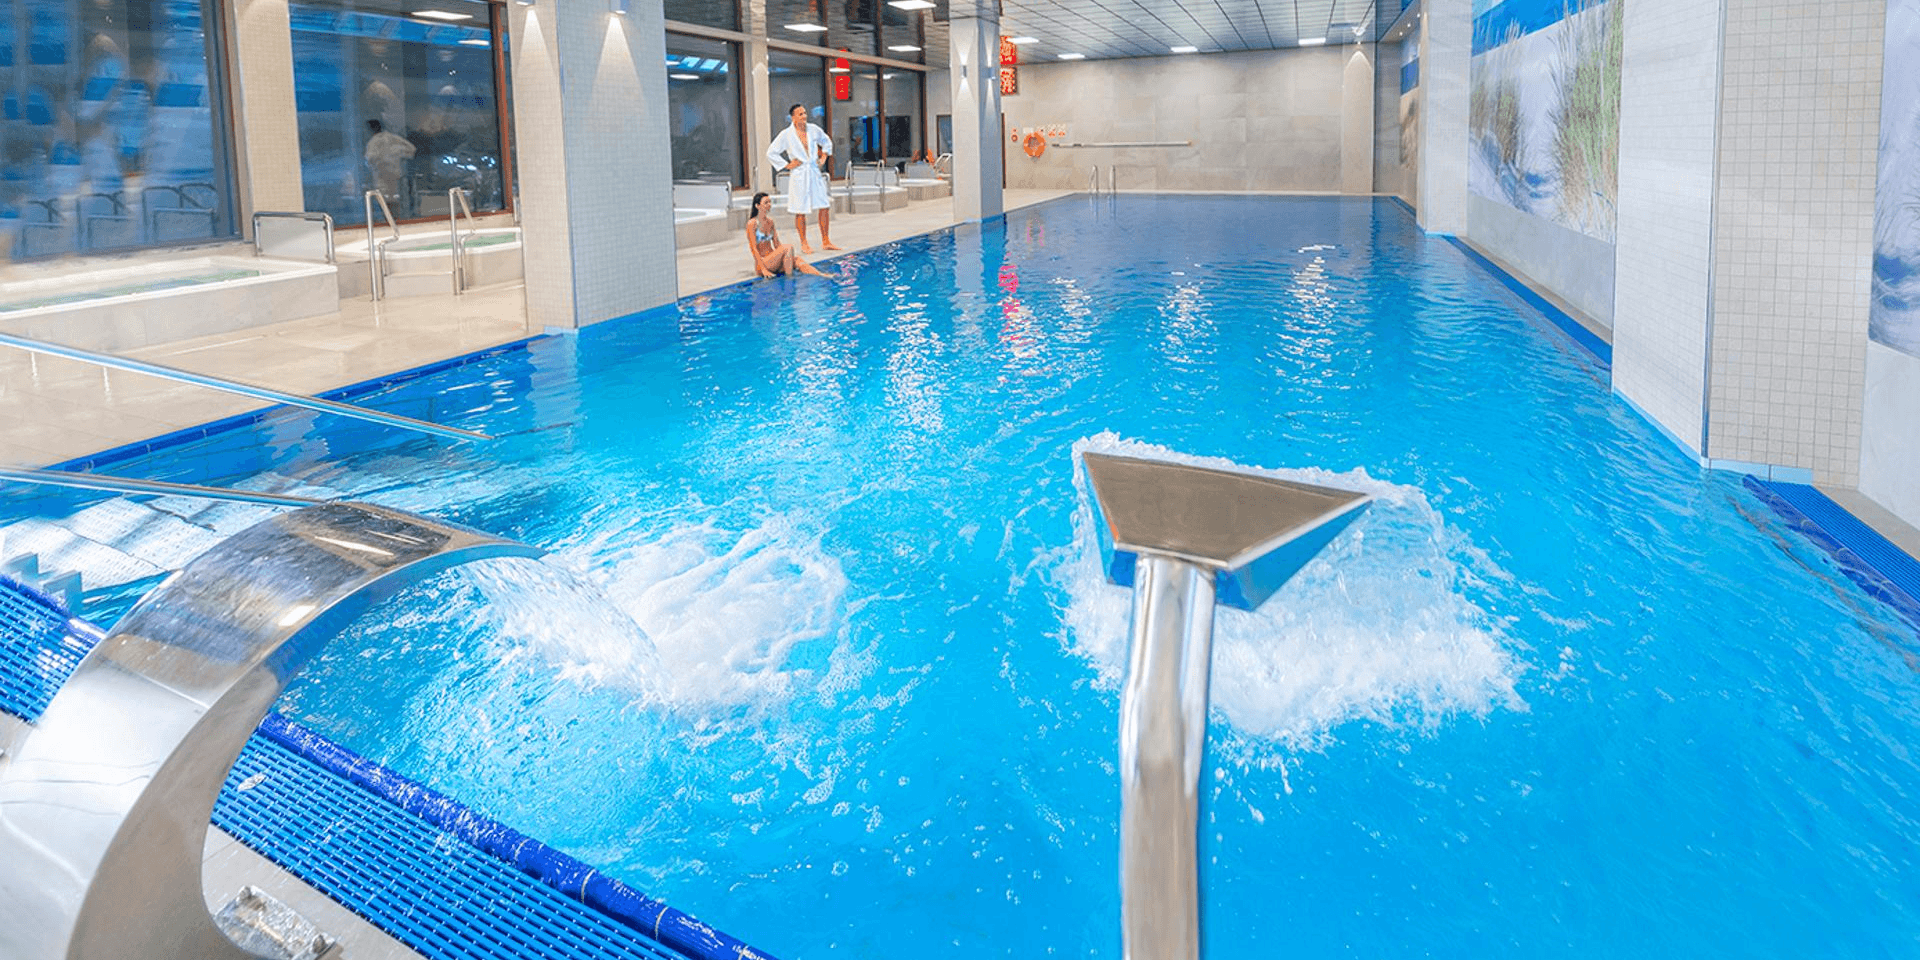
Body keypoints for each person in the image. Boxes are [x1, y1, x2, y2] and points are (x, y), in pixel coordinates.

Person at [766, 104, 839, 254]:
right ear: (793, 117)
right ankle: (804, 243)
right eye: (800, 114)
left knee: (824, 206)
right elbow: (771, 153)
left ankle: (826, 241)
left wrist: (824, 156)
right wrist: (787, 165)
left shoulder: (813, 129)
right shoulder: (786, 135)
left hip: (813, 171)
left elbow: (826, 141)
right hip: (799, 173)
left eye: (805, 113)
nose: (804, 116)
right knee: (800, 210)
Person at [746, 191, 828, 278]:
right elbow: (753, 249)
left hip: (773, 260)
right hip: (762, 264)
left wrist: (787, 257)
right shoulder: (752, 223)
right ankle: (790, 279)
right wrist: (763, 270)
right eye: (766, 202)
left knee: (797, 260)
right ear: (757, 206)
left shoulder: (770, 222)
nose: (769, 204)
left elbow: (777, 244)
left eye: (770, 202)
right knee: (788, 247)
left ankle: (822, 275)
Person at [363, 119, 416, 202]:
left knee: (385, 201)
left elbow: (369, 159)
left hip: (382, 177)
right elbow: (411, 149)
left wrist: (385, 159)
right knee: (395, 200)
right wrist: (398, 155)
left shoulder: (373, 142)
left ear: (370, 129)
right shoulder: (393, 138)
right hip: (396, 176)